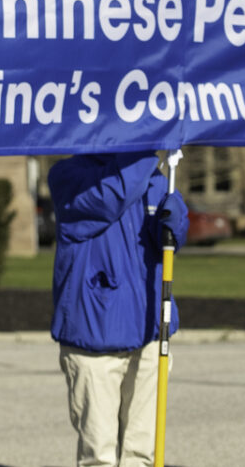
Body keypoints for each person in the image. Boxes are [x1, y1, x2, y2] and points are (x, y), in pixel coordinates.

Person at [48, 151, 189, 467]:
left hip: (150, 329)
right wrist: (150, 151)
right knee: (98, 456)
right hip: (93, 334)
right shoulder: (69, 176)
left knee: (141, 453)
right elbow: (108, 199)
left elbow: (167, 241)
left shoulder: (154, 179)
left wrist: (175, 221)